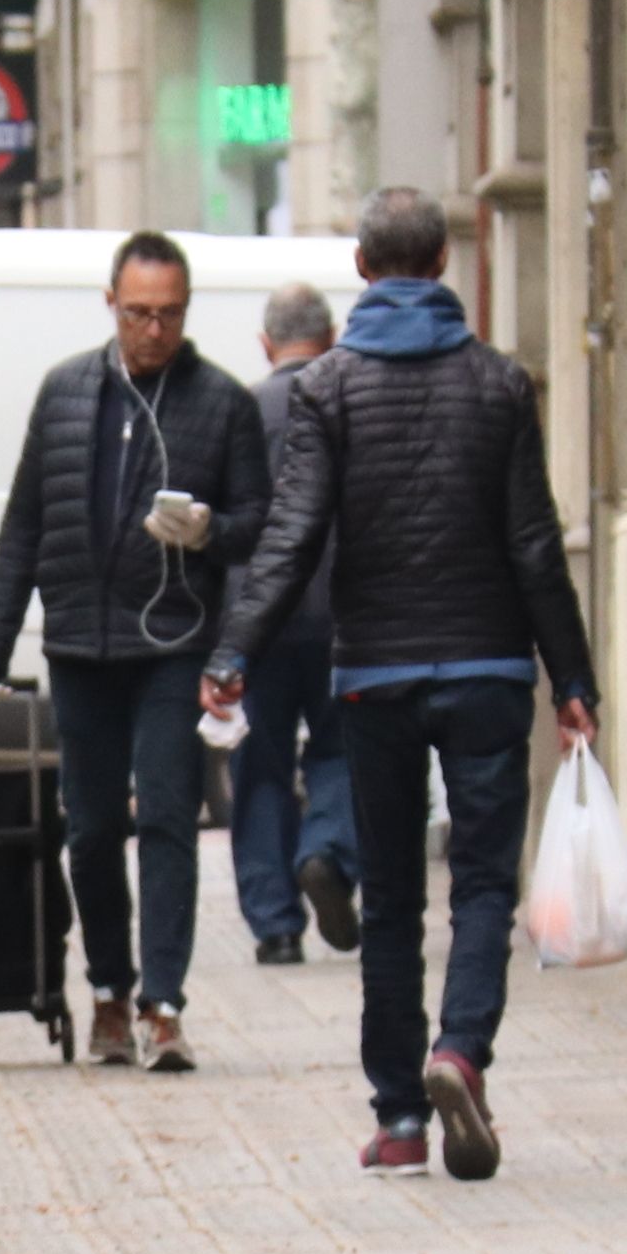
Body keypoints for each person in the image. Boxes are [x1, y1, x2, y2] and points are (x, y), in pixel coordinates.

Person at [206, 188, 599, 1182]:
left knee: (390, 902)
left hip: (374, 672)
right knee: (478, 885)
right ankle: (459, 1051)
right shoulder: (502, 385)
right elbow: (534, 544)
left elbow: (290, 536)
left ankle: (400, 1119)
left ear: (365, 268)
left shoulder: (329, 389)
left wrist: (232, 656)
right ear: (441, 263)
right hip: (488, 671)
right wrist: (574, 678)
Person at [0, 231, 270, 1071]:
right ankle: (107, 988)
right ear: (111, 304)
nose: (153, 330)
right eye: (138, 313)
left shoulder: (222, 402)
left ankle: (162, 1005)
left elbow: (259, 524)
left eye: (169, 315)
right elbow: (26, 519)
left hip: (174, 640)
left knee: (169, 817)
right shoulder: (66, 392)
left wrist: (208, 529)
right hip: (80, 641)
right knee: (93, 829)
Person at [231, 282, 360, 965]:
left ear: (266, 342)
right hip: (346, 618)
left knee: (261, 770)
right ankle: (329, 854)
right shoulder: (351, 403)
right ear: (332, 335)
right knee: (343, 751)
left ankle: (276, 925)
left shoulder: (243, 414)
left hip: (263, 623)